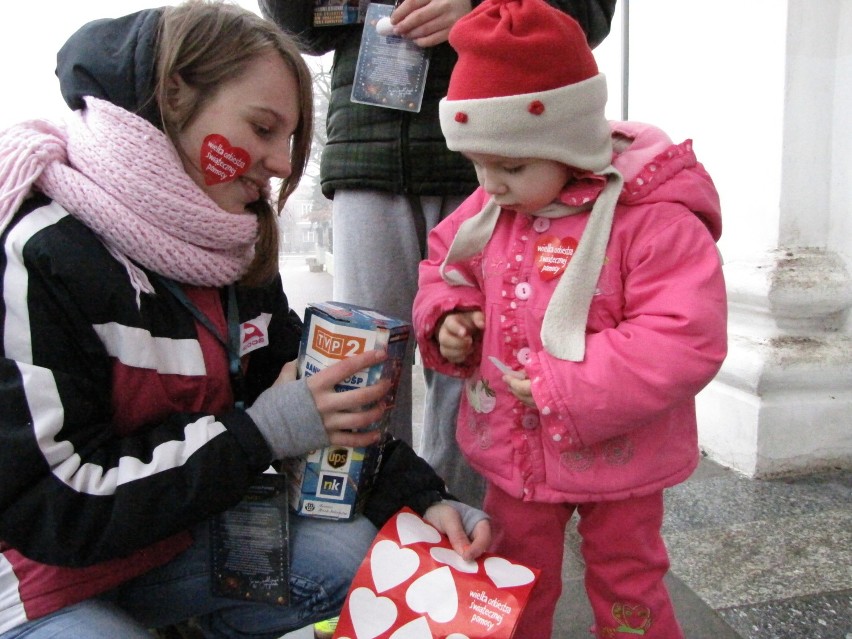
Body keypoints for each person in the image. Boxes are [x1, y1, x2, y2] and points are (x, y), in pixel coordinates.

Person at [0, 3, 490, 638]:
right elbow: (53, 504)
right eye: (262, 129)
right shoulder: (43, 253)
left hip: (168, 544)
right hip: (44, 580)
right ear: (173, 95)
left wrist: (425, 499)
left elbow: (314, 399)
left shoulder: (230, 251)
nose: (283, 164)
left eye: (289, 140)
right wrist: (257, 435)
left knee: (356, 555)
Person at [412, 0, 728, 636]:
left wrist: (567, 385)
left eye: (510, 166)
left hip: (625, 454)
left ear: (571, 144)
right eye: (477, 164)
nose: (489, 184)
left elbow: (684, 335)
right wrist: (451, 315)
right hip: (515, 450)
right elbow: (445, 266)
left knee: (628, 578)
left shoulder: (651, 219)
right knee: (513, 576)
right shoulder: (492, 207)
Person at [257, 0, 617, 512]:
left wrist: (482, 9)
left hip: (497, 149)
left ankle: (461, 529)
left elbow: (589, 12)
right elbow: (300, 25)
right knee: (364, 362)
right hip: (370, 151)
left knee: (477, 365)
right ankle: (374, 526)